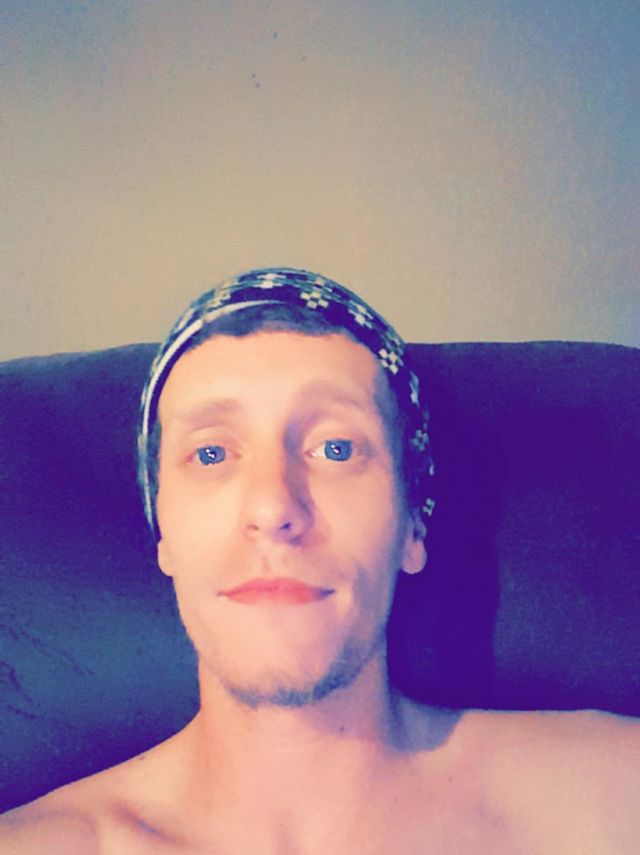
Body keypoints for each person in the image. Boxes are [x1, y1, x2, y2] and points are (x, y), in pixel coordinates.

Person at [1, 268, 637, 853]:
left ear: (413, 524)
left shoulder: (609, 799)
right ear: (162, 531)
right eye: (212, 454)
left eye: (336, 448)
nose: (273, 506)